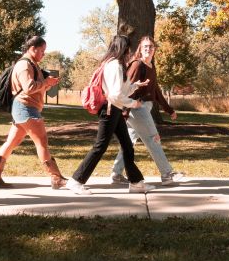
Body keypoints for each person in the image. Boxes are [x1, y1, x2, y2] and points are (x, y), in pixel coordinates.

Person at [66, 34, 152, 195]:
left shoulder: (115, 64)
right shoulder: (114, 65)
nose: (129, 51)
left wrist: (134, 86)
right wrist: (134, 103)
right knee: (100, 147)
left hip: (115, 110)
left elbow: (120, 88)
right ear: (122, 48)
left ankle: (136, 183)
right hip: (110, 110)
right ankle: (76, 180)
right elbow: (114, 94)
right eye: (128, 48)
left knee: (127, 146)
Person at [0, 35, 68, 189]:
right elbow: (29, 88)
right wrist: (45, 82)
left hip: (24, 108)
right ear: (33, 49)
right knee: (42, 141)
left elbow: (36, 87)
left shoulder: (31, 64)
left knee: (11, 143)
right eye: (42, 51)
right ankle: (56, 178)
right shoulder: (24, 65)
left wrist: (48, 84)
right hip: (26, 107)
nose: (43, 54)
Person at [109, 35, 187, 186]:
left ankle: (116, 174)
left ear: (155, 49)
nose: (148, 49)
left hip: (144, 107)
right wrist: (127, 108)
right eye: (145, 46)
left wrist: (169, 110)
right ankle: (167, 174)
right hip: (138, 108)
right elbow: (125, 88)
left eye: (151, 46)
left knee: (129, 142)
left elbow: (156, 91)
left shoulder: (150, 66)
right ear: (140, 48)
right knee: (153, 138)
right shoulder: (138, 65)